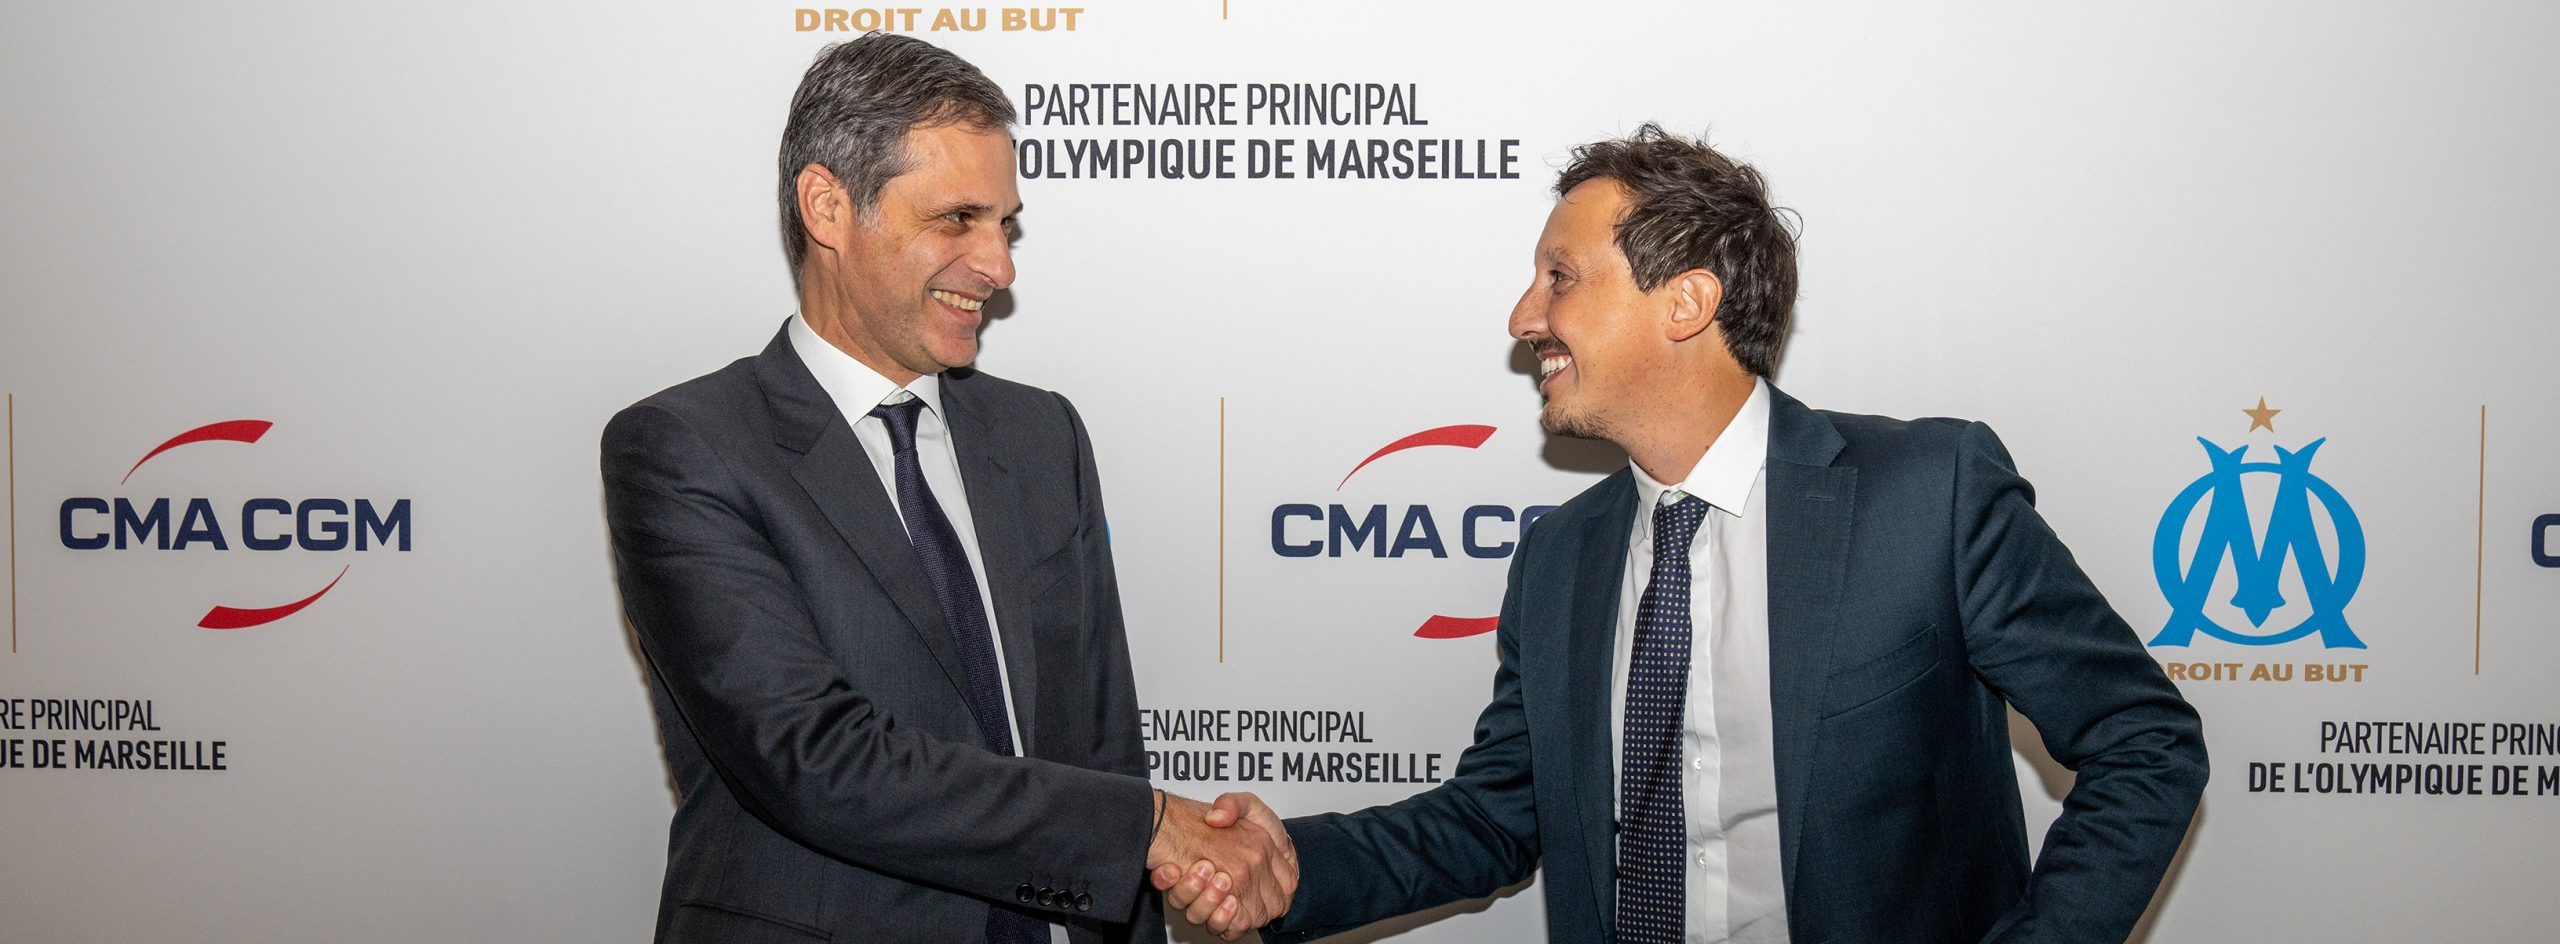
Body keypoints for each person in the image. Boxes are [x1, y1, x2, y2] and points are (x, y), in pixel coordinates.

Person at [1161, 124, 2207, 943]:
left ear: (1687, 302)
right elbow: (1496, 816)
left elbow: (2145, 744)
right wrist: (1288, 865)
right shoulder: (1559, 561)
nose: (1523, 317)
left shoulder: (1925, 496)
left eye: (1560, 276)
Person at [601, 33, 1290, 944]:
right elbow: (812, 758)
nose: (999, 267)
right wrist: (1148, 828)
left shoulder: (1042, 435)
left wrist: (1145, 849)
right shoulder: (687, 449)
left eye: (1005, 225)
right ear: (828, 207)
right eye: (958, 219)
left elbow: (1102, 746)